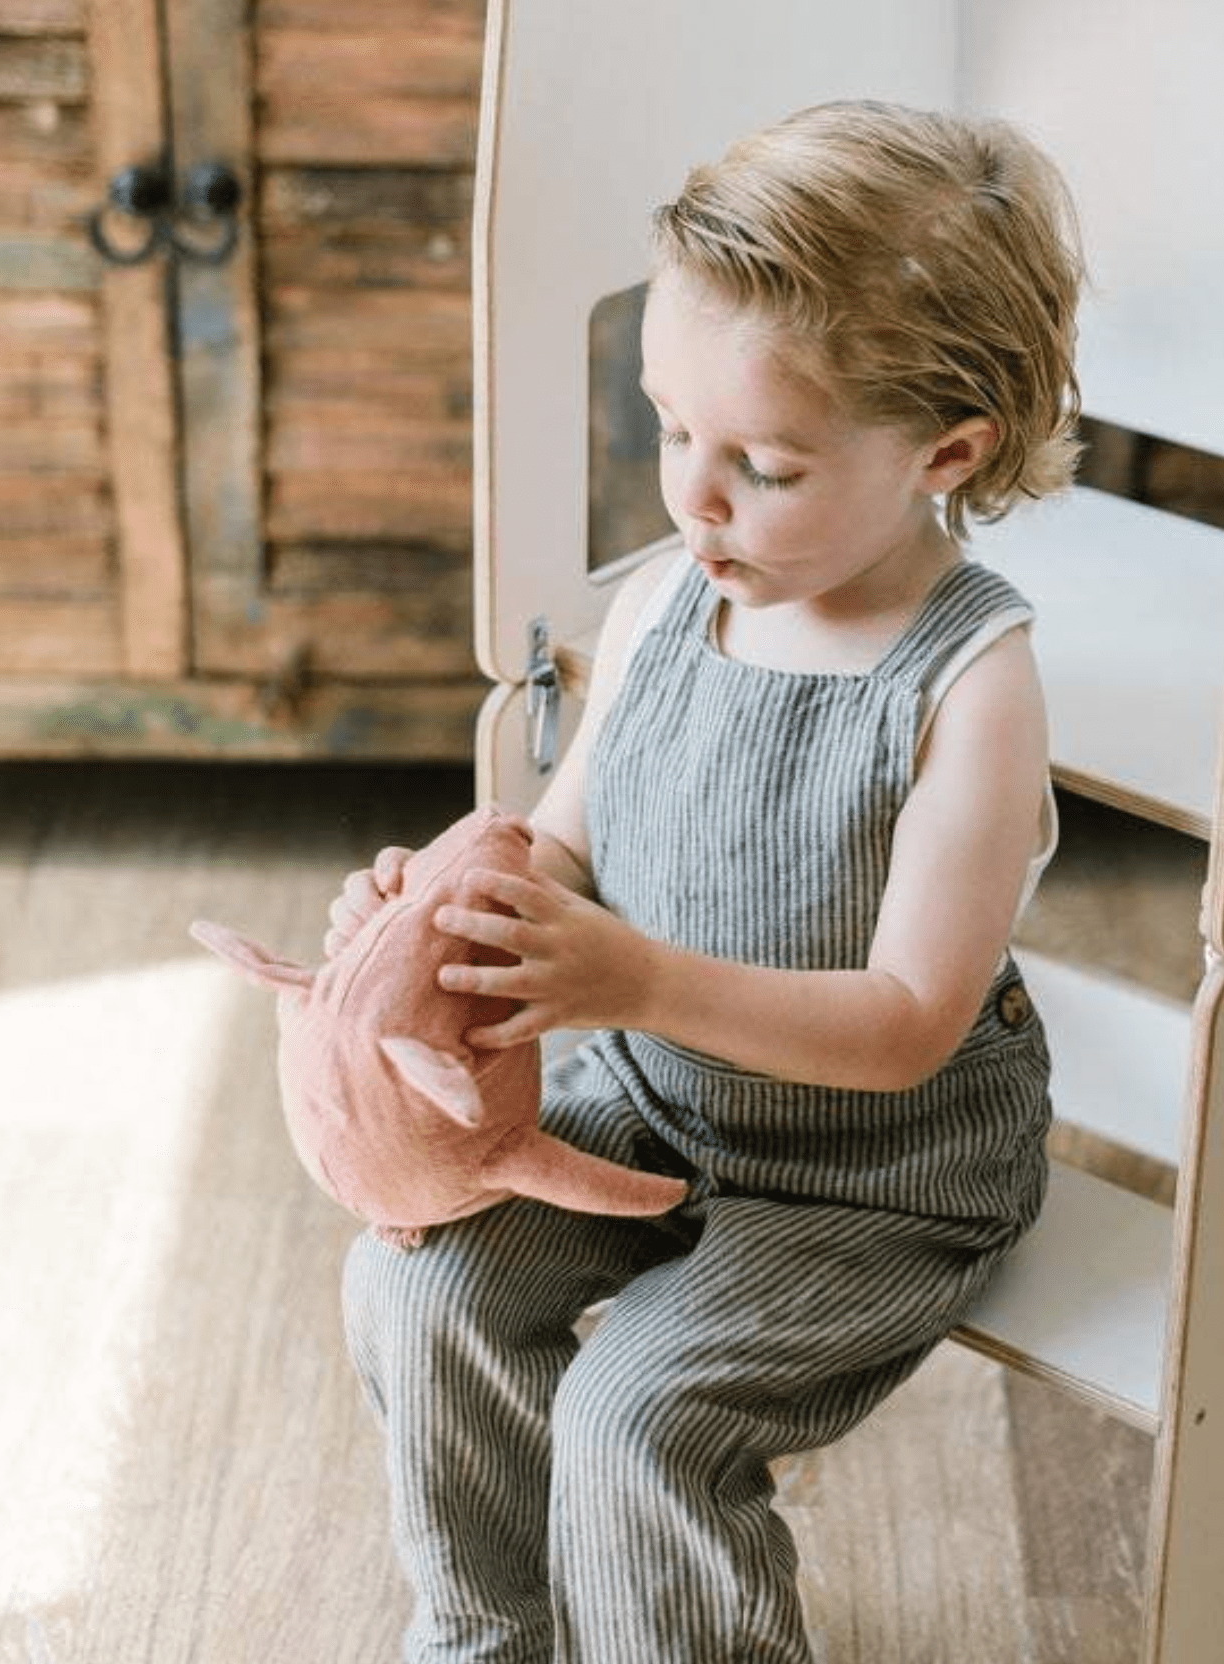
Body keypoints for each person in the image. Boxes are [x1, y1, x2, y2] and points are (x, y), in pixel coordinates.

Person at [334, 99, 1085, 1663]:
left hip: (878, 1179)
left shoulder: (971, 684)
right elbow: (566, 843)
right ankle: (488, 1632)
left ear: (946, 451)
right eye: (673, 429)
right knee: (423, 1291)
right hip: (656, 1100)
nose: (695, 496)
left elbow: (904, 1025)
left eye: (763, 463)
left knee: (635, 1416)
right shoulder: (675, 598)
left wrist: (637, 979)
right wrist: (441, 922)